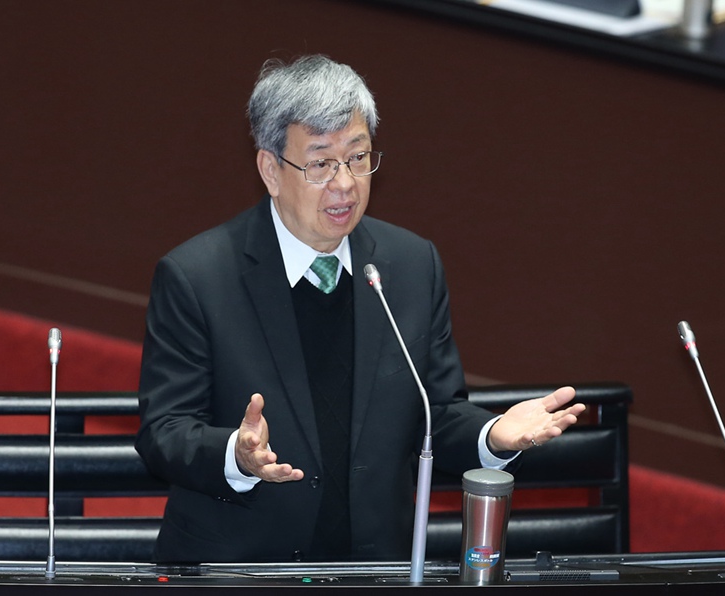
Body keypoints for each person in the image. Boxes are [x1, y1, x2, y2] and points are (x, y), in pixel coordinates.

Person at [135, 55, 584, 564]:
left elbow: (433, 413)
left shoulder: (411, 265)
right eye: (321, 163)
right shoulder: (198, 277)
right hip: (242, 567)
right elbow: (164, 430)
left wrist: (493, 437)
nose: (345, 183)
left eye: (358, 156)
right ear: (271, 170)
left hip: (374, 566)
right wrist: (235, 455)